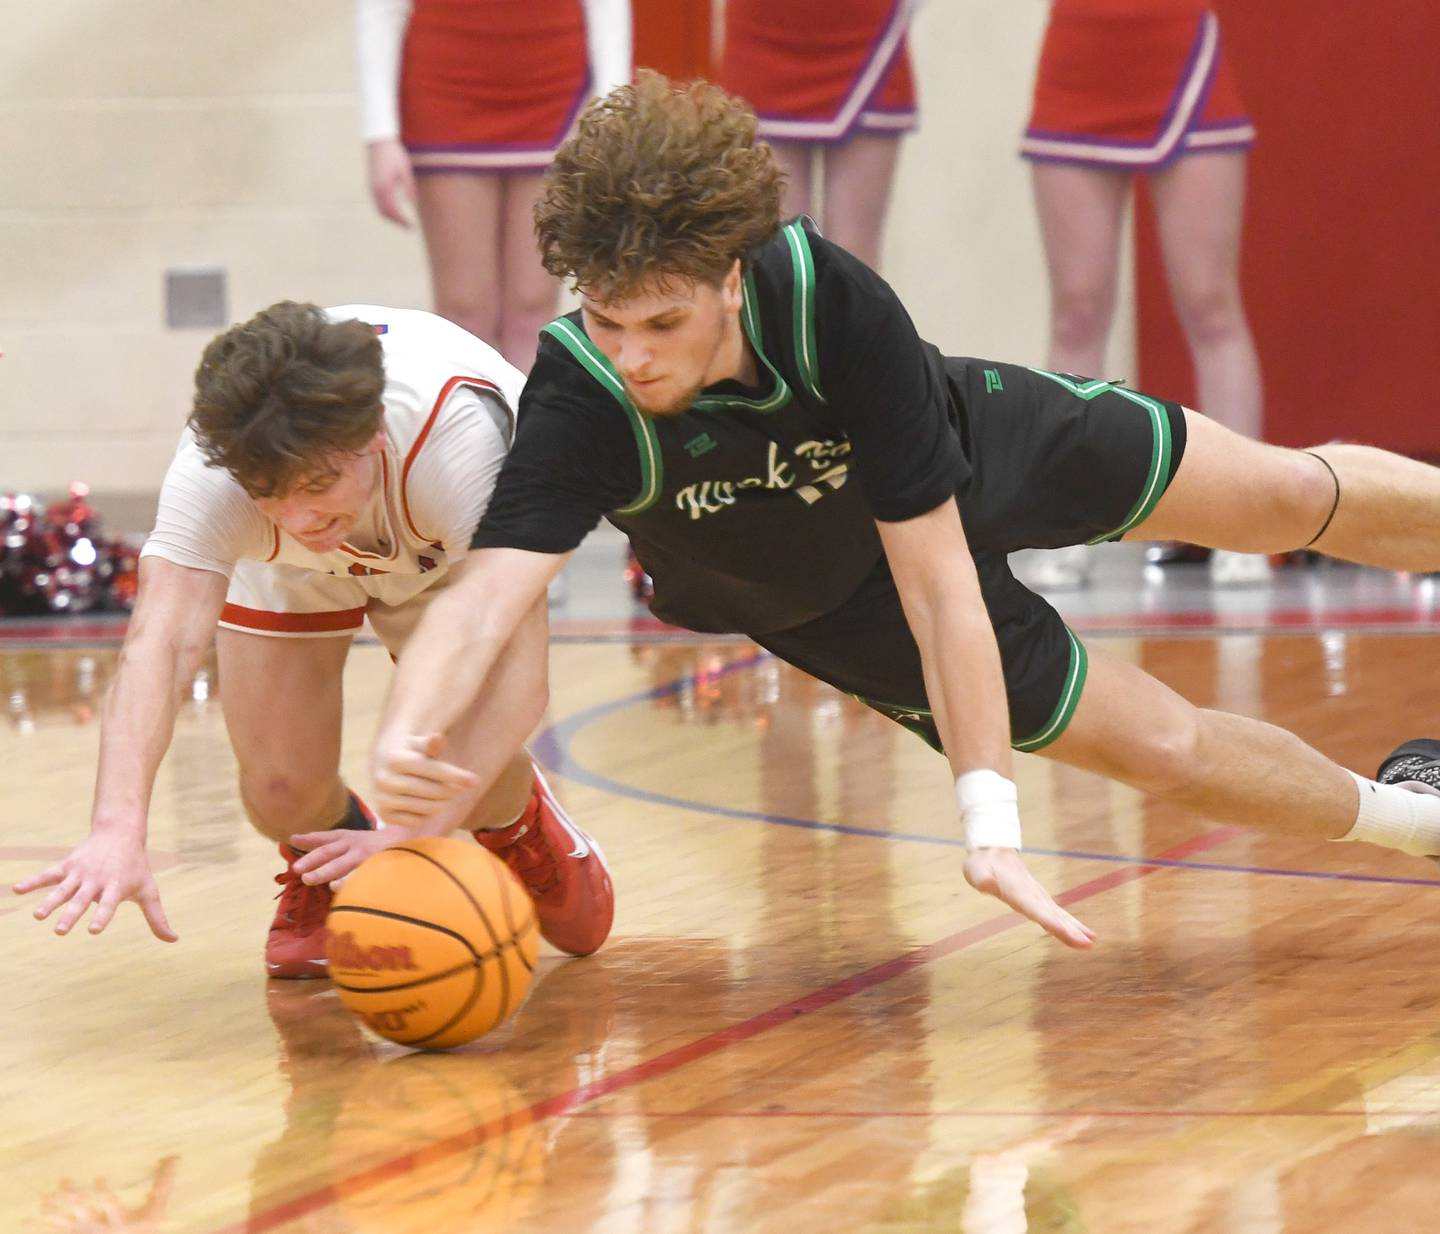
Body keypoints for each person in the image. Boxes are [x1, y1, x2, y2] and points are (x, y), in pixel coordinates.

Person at [316, 73, 1440, 951]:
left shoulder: (825, 300)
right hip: (819, 594)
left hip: (967, 451)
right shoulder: (581, 394)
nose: (631, 355)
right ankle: (1421, 818)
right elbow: (486, 599)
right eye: (609, 321)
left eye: (660, 323)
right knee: (1162, 745)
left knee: (1282, 494)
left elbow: (939, 576)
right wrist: (406, 736)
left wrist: (985, 808)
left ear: (731, 278)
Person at [10, 302, 614, 974]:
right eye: (270, 493)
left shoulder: (458, 441)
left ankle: (517, 820)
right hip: (292, 573)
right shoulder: (218, 473)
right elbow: (160, 644)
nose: (300, 516)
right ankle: (330, 864)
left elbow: (521, 682)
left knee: (456, 763)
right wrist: (117, 829)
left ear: (375, 433)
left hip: (443, 552)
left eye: (319, 484)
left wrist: (410, 836)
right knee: (277, 792)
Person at [1021, 0, 1268, 588]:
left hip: (1177, 51)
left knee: (1211, 304)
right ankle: (1068, 524)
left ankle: (1247, 522)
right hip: (1078, 62)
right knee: (1077, 311)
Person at [355, 0, 631, 371]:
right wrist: (380, 135)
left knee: (532, 305)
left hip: (555, 81)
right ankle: (471, 425)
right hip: (444, 86)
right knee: (465, 309)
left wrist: (610, 108)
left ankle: (531, 426)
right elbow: (380, 9)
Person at [717, 0, 917, 273]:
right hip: (761, 31)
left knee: (853, 258)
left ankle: (851, 317)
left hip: (867, 34)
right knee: (777, 249)